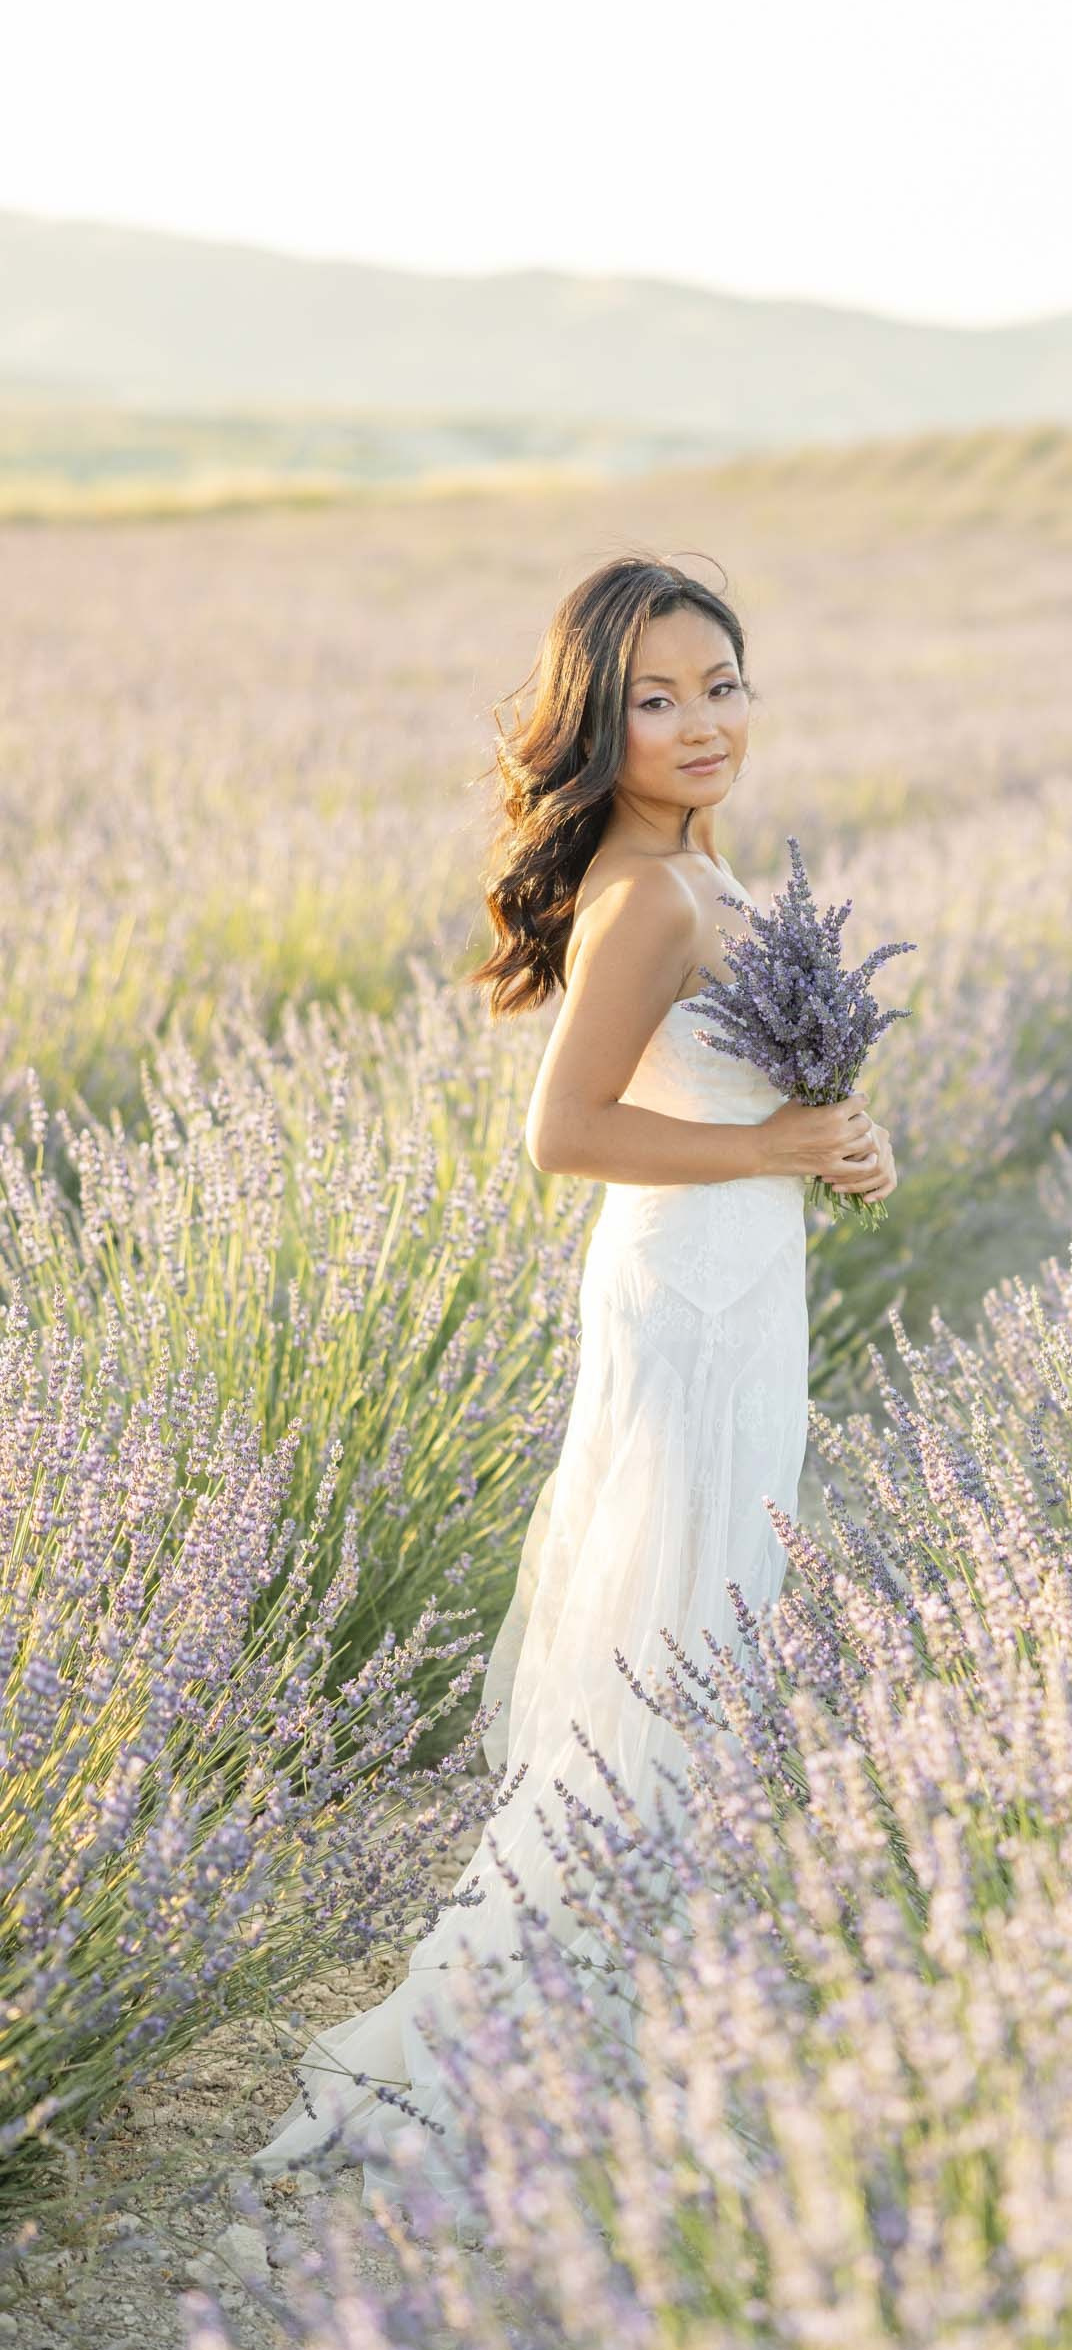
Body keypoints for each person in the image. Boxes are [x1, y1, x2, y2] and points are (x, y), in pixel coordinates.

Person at [252, 553, 894, 2206]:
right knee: (665, 1621)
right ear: (595, 725)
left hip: (742, 1275)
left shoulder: (706, 874)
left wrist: (828, 1150)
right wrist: (762, 1142)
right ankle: (556, 1996)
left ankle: (647, 1961)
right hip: (682, 1294)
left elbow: (717, 1095)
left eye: (720, 687)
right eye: (654, 701)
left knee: (708, 1608)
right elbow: (566, 1134)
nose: (698, 724)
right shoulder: (648, 894)